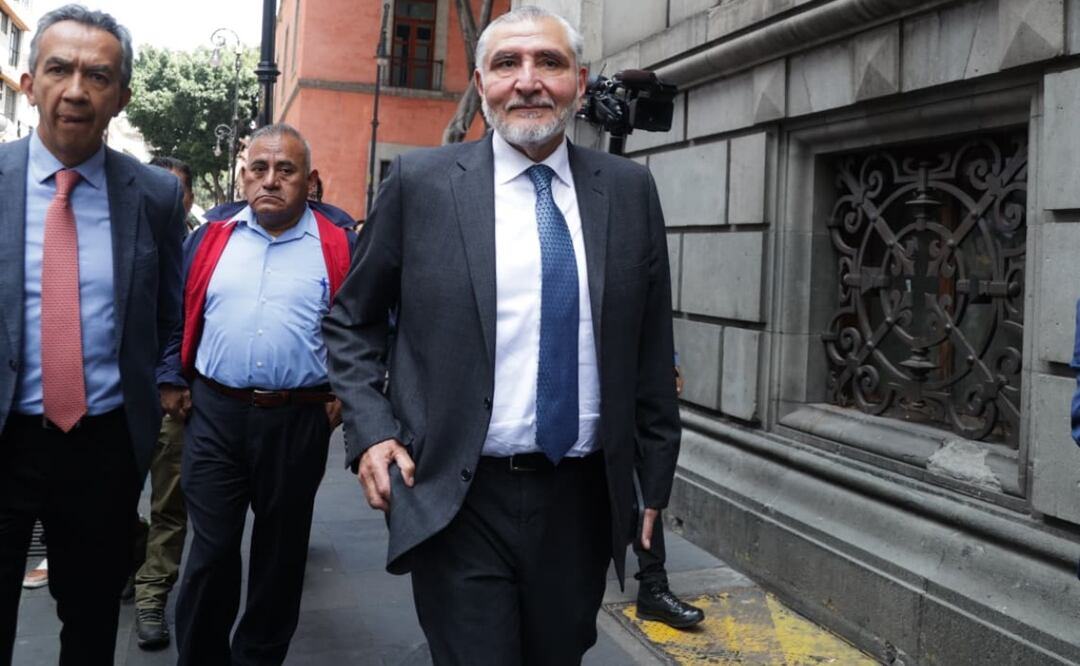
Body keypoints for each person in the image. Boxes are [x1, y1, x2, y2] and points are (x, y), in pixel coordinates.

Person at [322, 6, 681, 664]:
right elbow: (351, 320)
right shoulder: (422, 185)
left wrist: (653, 482)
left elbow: (651, 353)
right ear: (482, 81)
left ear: (578, 79)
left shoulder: (629, 192)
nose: (527, 81)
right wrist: (371, 431)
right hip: (458, 495)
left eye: (547, 63)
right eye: (507, 64)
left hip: (579, 499)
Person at [0, 4, 185, 664]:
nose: (76, 88)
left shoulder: (156, 196)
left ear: (121, 97)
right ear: (30, 83)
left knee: (89, 623)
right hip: (5, 436)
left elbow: (170, 313)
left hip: (104, 445)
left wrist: (163, 387)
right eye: (58, 69)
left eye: (97, 75)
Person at [162, 123, 353, 666]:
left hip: (298, 419)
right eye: (259, 169)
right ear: (243, 176)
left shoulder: (339, 244)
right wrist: (169, 376)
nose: (270, 180)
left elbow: (366, 323)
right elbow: (176, 311)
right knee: (213, 550)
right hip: (215, 414)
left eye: (285, 170)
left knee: (280, 556)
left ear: (309, 181)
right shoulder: (209, 239)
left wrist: (347, 390)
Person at [129, 155, 197, 650]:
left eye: (173, 192)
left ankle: (152, 593)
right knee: (106, 497)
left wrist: (174, 378)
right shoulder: (120, 243)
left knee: (170, 502)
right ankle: (133, 554)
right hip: (118, 398)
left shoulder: (200, 248)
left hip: (173, 399)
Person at [632, 357, 705, 628]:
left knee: (644, 472)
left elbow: (648, 316)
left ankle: (653, 585)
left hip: (627, 365)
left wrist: (668, 362)